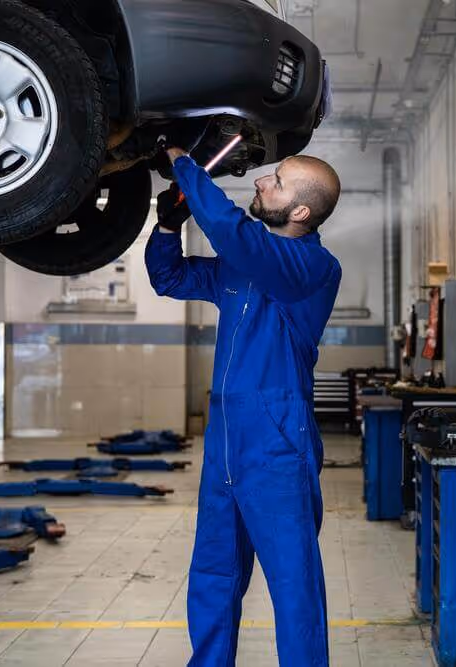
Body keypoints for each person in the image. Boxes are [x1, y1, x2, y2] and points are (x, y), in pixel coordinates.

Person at [145, 146, 342, 666]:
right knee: (213, 573)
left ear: (300, 211)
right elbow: (170, 279)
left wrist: (188, 165)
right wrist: (166, 229)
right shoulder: (244, 265)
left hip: (277, 443)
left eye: (276, 181)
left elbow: (238, 236)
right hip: (227, 442)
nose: (261, 182)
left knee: (293, 584)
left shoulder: (312, 266)